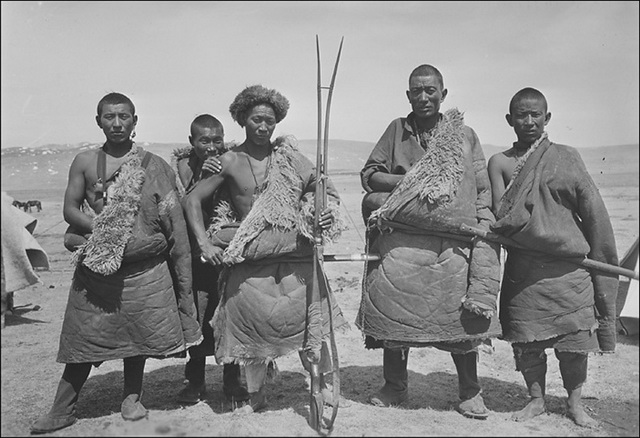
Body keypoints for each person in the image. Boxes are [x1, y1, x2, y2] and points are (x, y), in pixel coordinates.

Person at [31, 92, 202, 434]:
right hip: (98, 266)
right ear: (99, 121)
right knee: (82, 338)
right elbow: (70, 209)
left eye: (124, 117)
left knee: (136, 335)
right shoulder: (83, 161)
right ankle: (62, 409)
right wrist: (107, 232)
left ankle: (132, 399)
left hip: (145, 271)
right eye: (109, 117)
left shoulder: (155, 166)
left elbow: (174, 225)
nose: (117, 123)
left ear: (135, 121)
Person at [184, 84, 348, 413]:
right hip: (252, 256)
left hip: (292, 254)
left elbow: (321, 189)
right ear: (243, 119)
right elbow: (192, 200)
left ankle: (324, 384)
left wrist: (323, 212)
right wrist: (204, 243)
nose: (264, 127)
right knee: (251, 324)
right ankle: (256, 392)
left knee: (310, 320)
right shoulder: (229, 160)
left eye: (270, 121)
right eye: (257, 120)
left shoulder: (290, 159)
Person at [355, 64, 501, 419]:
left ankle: (469, 391)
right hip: (402, 243)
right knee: (395, 313)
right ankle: (395, 386)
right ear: (408, 96)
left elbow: (480, 186)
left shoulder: (464, 135)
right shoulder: (396, 130)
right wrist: (414, 183)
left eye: (431, 91)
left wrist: (484, 226)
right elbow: (369, 176)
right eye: (417, 91)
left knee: (459, 319)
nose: (424, 97)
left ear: (443, 94)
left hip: (450, 242)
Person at [487, 87, 619, 427]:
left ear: (547, 118)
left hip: (569, 270)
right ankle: (536, 400)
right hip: (524, 272)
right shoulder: (499, 163)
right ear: (509, 120)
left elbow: (594, 214)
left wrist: (604, 261)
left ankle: (575, 405)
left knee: (575, 344)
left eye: (536, 115)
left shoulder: (566, 156)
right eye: (521, 115)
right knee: (528, 344)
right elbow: (504, 217)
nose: (529, 121)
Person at [171, 114, 249, 404]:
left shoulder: (229, 160)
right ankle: (195, 381)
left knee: (229, 313)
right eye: (204, 141)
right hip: (195, 252)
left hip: (225, 250)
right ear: (192, 141)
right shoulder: (183, 165)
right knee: (199, 315)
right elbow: (186, 200)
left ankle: (232, 380)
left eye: (217, 140)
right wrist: (203, 176)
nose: (212, 147)